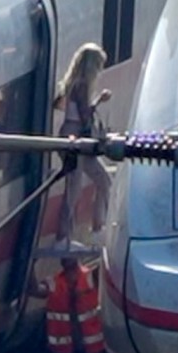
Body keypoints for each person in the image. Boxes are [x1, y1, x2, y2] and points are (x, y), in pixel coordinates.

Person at [52, 43, 114, 240]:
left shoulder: (71, 83)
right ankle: (64, 237)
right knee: (75, 188)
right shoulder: (82, 85)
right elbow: (85, 115)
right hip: (76, 137)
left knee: (103, 180)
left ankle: (97, 227)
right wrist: (99, 100)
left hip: (71, 133)